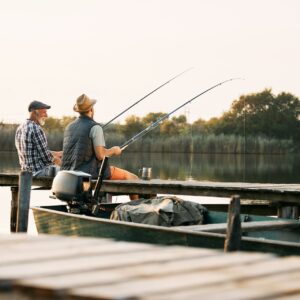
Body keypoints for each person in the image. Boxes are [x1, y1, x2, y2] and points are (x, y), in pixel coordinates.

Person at [60, 94, 139, 199]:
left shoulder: (69, 127)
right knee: (133, 179)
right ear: (91, 109)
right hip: (90, 173)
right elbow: (101, 155)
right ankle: (133, 211)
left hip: (69, 174)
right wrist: (114, 150)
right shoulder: (95, 127)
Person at [15, 100, 63, 177]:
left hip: (25, 172)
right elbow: (47, 159)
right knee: (68, 173)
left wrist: (58, 153)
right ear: (34, 112)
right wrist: (63, 165)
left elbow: (36, 151)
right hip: (38, 172)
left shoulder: (20, 128)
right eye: (44, 112)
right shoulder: (36, 128)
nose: (47, 115)